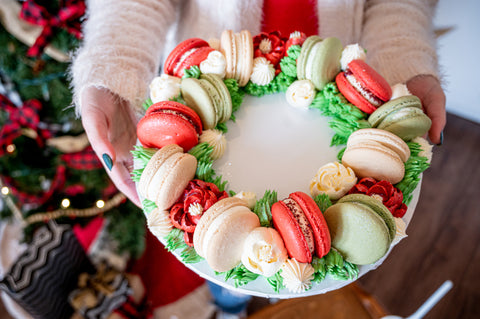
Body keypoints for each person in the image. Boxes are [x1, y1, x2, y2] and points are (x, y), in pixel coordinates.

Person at [71, 0, 446, 317]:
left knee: (334, 247)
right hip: (209, 78)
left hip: (347, 75)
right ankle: (228, 299)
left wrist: (401, 61)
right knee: (220, 251)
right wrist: (114, 63)